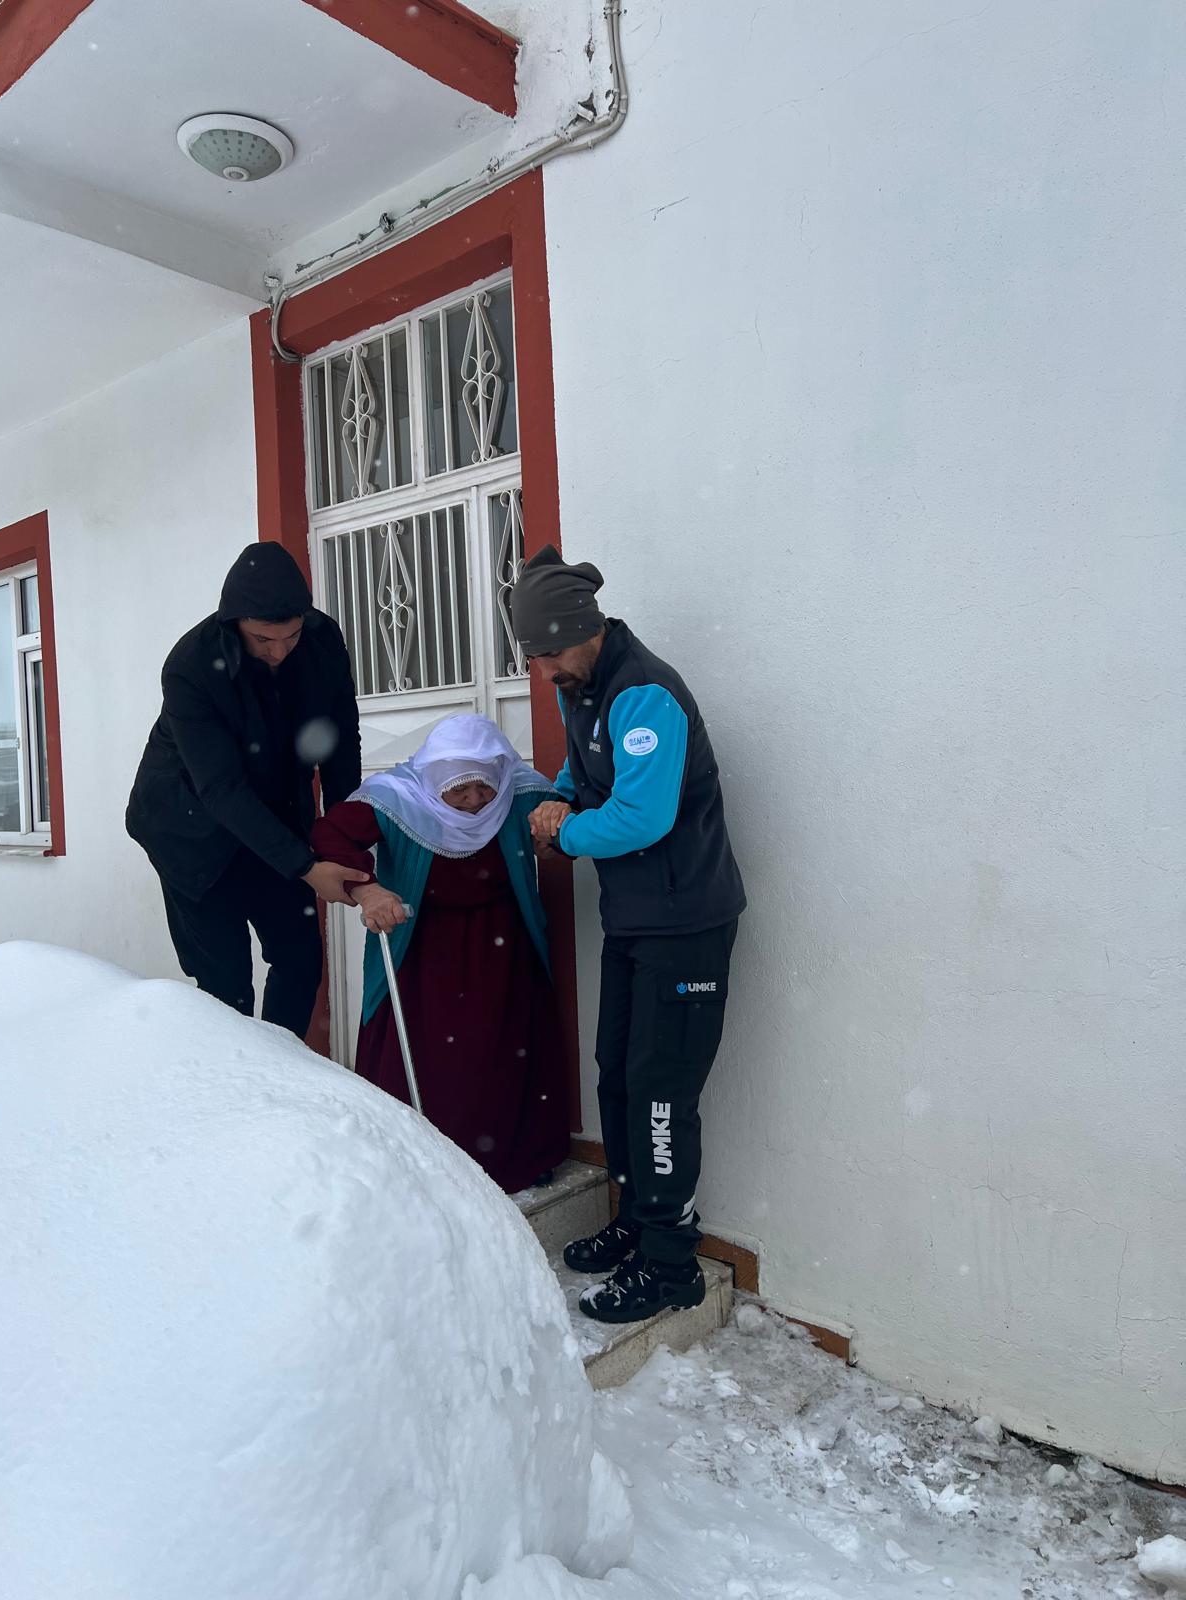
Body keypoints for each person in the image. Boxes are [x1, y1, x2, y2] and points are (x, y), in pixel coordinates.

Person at [513, 544, 746, 1324]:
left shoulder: (645, 694)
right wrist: (559, 796)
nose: (543, 670)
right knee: (617, 1073)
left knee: (660, 1094)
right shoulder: (579, 686)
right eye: (534, 656)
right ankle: (636, 1221)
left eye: (549, 653)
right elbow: (586, 775)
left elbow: (644, 816)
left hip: (687, 924)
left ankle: (671, 1262)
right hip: (637, 918)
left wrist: (565, 832)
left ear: (583, 630)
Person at [309, 713, 570, 1194]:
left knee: (506, 1053)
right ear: (434, 780)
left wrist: (555, 832)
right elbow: (330, 836)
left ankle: (516, 1159)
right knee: (431, 1062)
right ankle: (420, 1169)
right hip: (423, 948)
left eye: (483, 786)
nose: (475, 800)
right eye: (458, 790)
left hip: (504, 944)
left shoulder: (518, 790)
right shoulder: (397, 798)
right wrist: (369, 890)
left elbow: (562, 825)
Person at [127, 542, 366, 1038]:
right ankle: (232, 1083)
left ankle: (281, 1074)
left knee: (300, 961)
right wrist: (306, 867)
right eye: (263, 640)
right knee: (226, 985)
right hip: (189, 831)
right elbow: (220, 787)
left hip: (273, 817)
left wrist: (346, 836)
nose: (279, 652)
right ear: (234, 623)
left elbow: (340, 743)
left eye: (291, 636)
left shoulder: (322, 642)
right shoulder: (191, 666)